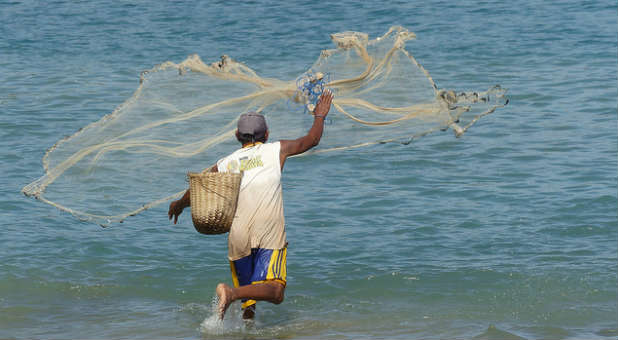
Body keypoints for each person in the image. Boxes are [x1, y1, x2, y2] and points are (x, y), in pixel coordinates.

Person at [168, 90, 333, 320]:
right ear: (266, 134)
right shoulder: (277, 149)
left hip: (239, 234)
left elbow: (198, 188)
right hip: (268, 230)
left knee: (250, 304)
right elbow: (311, 140)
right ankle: (231, 293)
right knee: (275, 291)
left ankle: (247, 328)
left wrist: (178, 205)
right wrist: (320, 116)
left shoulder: (225, 163)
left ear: (237, 136)